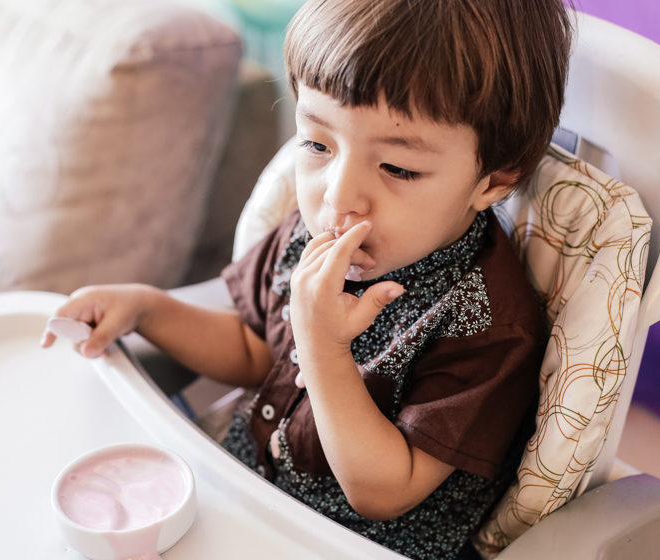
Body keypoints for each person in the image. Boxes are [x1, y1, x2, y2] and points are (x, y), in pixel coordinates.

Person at [42, 0, 573, 558]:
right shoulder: (308, 233)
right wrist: (150, 309)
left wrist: (322, 346)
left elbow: (383, 492)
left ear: (492, 180)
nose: (339, 196)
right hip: (246, 498)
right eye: (318, 145)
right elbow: (256, 351)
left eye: (398, 168)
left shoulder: (487, 324)